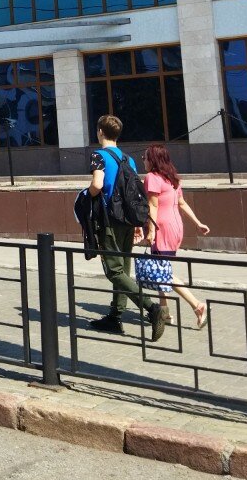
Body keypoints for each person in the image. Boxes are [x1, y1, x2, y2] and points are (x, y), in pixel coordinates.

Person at [88, 115, 165, 342]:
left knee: (114, 271)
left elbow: (97, 185)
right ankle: (115, 316)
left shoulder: (98, 156)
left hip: (109, 220)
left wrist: (87, 194)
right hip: (128, 221)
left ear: (100, 132)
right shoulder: (128, 159)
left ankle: (152, 309)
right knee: (123, 268)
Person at [140, 143, 211, 329]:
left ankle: (197, 305)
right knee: (162, 269)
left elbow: (153, 206)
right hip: (175, 226)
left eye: (145, 157)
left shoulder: (152, 177)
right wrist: (198, 223)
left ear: (153, 160)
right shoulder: (172, 178)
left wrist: (151, 231)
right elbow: (182, 203)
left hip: (162, 227)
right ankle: (165, 314)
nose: (143, 161)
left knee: (164, 273)